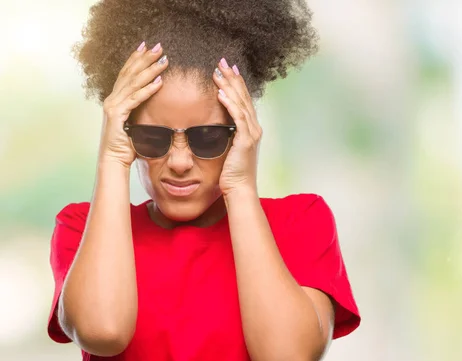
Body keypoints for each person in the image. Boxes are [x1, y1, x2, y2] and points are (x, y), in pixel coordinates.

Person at [47, 0, 361, 360]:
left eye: (207, 137)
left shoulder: (301, 222)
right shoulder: (82, 228)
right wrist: (113, 160)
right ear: (125, 134)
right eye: (152, 137)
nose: (179, 162)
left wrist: (241, 187)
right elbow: (103, 332)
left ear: (240, 131)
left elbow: (287, 356)